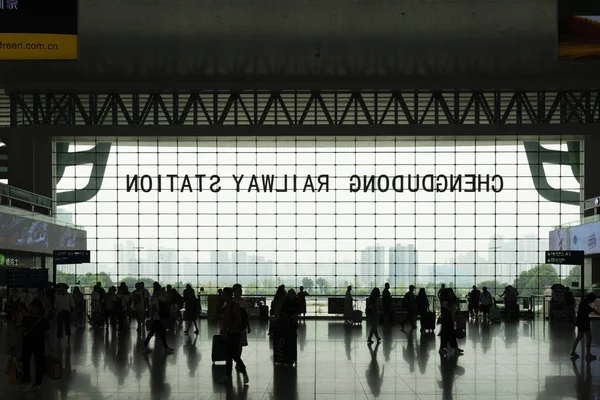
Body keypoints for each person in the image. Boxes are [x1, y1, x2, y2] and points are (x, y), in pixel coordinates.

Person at [219, 287, 249, 385]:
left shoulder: (234, 306)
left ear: (227, 295)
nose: (222, 295)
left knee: (235, 355)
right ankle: (228, 375)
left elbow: (238, 321)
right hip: (228, 333)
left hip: (234, 334)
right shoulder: (227, 305)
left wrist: (229, 327)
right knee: (228, 355)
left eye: (223, 294)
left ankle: (244, 372)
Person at [20, 298, 49, 390]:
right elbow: (22, 329)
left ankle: (36, 381)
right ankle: (28, 378)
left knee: (37, 362)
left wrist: (49, 345)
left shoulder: (43, 319)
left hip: (36, 342)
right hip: (31, 341)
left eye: (33, 307)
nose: (31, 309)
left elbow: (47, 333)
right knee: (27, 360)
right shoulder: (28, 317)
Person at [142, 283, 174, 354]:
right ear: (158, 290)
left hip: (156, 318)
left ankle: (165, 348)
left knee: (157, 333)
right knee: (158, 333)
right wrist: (152, 318)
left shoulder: (155, 297)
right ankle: (165, 348)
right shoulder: (156, 298)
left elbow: (166, 300)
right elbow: (154, 309)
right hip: (157, 318)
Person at [570, 293, 600, 360]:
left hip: (580, 322)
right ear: (591, 299)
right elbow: (594, 311)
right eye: (593, 300)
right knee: (589, 338)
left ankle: (572, 352)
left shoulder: (582, 303)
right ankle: (588, 354)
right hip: (584, 323)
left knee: (578, 338)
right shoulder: (586, 306)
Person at [439, 289, 463, 355]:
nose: (453, 293)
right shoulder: (446, 301)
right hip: (446, 319)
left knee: (449, 334)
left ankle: (453, 348)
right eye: (451, 292)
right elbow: (450, 309)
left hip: (447, 319)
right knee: (448, 334)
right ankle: (450, 348)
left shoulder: (447, 300)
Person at [233, 283, 251, 369]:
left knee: (239, 345)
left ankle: (238, 361)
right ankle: (238, 361)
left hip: (241, 327)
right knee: (235, 345)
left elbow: (246, 315)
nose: (240, 292)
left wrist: (248, 326)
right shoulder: (231, 302)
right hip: (233, 327)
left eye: (240, 290)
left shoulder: (243, 302)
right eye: (238, 291)